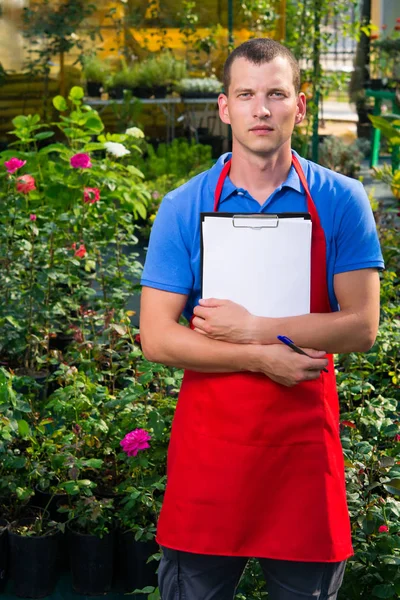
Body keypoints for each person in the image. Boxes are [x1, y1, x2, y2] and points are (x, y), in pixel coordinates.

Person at [139, 38, 384, 600]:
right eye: (246, 94)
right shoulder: (185, 204)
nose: (261, 108)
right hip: (211, 455)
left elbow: (361, 326)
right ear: (225, 107)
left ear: (300, 105)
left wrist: (253, 326)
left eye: (276, 93)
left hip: (302, 455)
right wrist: (259, 357)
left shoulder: (342, 200)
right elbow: (156, 336)